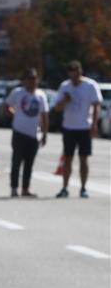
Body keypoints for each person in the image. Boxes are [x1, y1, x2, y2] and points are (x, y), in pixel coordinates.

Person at [54, 60, 102, 198]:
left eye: (76, 75)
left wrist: (94, 124)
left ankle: (83, 187)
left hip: (84, 127)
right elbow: (57, 108)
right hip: (69, 127)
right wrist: (65, 101)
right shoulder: (64, 86)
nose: (74, 78)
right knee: (67, 158)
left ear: (80, 72)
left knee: (83, 158)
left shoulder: (90, 85)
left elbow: (96, 105)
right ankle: (64, 187)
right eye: (71, 75)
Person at [4, 68, 49, 197]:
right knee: (17, 161)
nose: (32, 81)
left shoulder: (40, 95)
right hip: (19, 132)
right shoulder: (18, 93)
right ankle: (14, 188)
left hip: (34, 133)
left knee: (29, 164)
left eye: (34, 78)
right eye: (29, 78)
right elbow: (6, 105)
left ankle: (25, 188)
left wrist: (45, 134)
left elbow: (44, 115)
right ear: (25, 80)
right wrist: (13, 114)